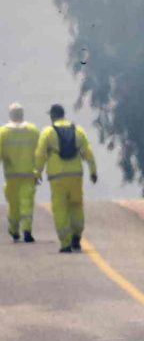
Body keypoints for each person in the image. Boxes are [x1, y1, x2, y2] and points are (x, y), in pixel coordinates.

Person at [34, 104, 97, 253]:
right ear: (64, 114)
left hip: (57, 176)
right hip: (75, 174)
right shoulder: (78, 130)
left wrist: (37, 173)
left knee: (60, 207)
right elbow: (88, 152)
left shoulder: (48, 132)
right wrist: (93, 171)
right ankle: (77, 236)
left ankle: (65, 243)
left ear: (52, 116)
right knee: (76, 204)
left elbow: (40, 154)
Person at [0, 103, 40, 243]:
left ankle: (14, 231)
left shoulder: (3, 132)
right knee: (27, 203)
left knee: (13, 205)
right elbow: (39, 153)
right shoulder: (33, 130)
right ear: (22, 114)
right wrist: (38, 171)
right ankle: (27, 230)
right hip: (29, 174)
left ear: (10, 115)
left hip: (11, 176)